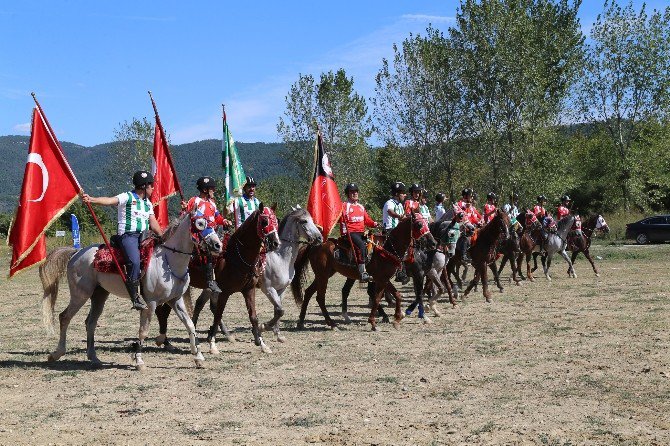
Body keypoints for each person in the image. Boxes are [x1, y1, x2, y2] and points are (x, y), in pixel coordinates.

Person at [82, 170, 163, 311]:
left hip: (145, 237)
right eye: (151, 186)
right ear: (144, 187)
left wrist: (162, 236)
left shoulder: (148, 204)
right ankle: (135, 297)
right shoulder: (127, 197)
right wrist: (92, 199)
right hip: (128, 236)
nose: (153, 188)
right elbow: (109, 201)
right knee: (134, 261)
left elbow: (153, 223)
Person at [182, 177, 232, 293]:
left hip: (211, 232)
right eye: (212, 188)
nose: (214, 190)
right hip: (198, 233)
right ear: (205, 190)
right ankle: (209, 280)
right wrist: (185, 209)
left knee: (225, 246)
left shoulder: (212, 203)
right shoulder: (194, 201)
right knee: (212, 248)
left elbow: (217, 217)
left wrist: (224, 221)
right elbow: (186, 215)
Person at [340, 183, 378, 282]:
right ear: (348, 194)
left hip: (361, 232)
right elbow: (340, 220)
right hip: (350, 232)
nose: (355, 193)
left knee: (376, 245)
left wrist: (374, 224)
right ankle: (362, 272)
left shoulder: (361, 207)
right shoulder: (344, 206)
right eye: (352, 192)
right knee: (361, 245)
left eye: (356, 191)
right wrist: (344, 232)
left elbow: (367, 220)